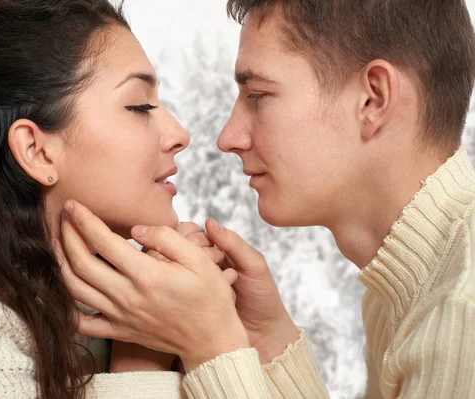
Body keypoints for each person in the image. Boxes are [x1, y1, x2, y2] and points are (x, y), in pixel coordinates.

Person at [59, 0, 475, 398]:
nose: (228, 138)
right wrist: (266, 339)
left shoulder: (462, 312)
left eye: (257, 95)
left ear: (373, 100)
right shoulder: (403, 294)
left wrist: (211, 343)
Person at [0, 0, 224, 397]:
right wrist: (142, 356)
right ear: (37, 152)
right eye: (139, 106)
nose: (179, 133)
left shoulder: (89, 297)